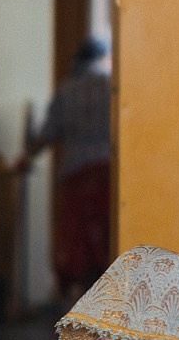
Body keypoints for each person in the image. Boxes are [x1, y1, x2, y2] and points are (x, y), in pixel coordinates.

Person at [19, 35, 113, 299]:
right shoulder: (114, 87)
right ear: (103, 59)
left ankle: (79, 303)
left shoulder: (66, 90)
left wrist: (28, 151)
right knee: (107, 240)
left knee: (78, 241)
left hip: (77, 174)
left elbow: (45, 136)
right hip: (108, 174)